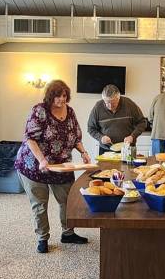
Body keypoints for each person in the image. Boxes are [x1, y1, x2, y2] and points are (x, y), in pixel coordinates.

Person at [14, 80, 92, 254]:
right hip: (34, 165)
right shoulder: (40, 110)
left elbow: (75, 137)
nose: (61, 99)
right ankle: (42, 238)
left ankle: (68, 233)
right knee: (40, 203)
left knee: (67, 200)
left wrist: (84, 152)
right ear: (50, 96)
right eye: (57, 96)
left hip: (61, 165)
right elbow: (30, 138)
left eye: (64, 96)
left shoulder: (70, 112)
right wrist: (42, 160)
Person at [87, 84, 148, 155]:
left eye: (113, 103)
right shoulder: (98, 107)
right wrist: (101, 137)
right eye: (107, 103)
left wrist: (132, 136)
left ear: (119, 98)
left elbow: (142, 122)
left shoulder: (129, 104)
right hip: (106, 150)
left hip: (127, 148)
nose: (110, 106)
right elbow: (91, 128)